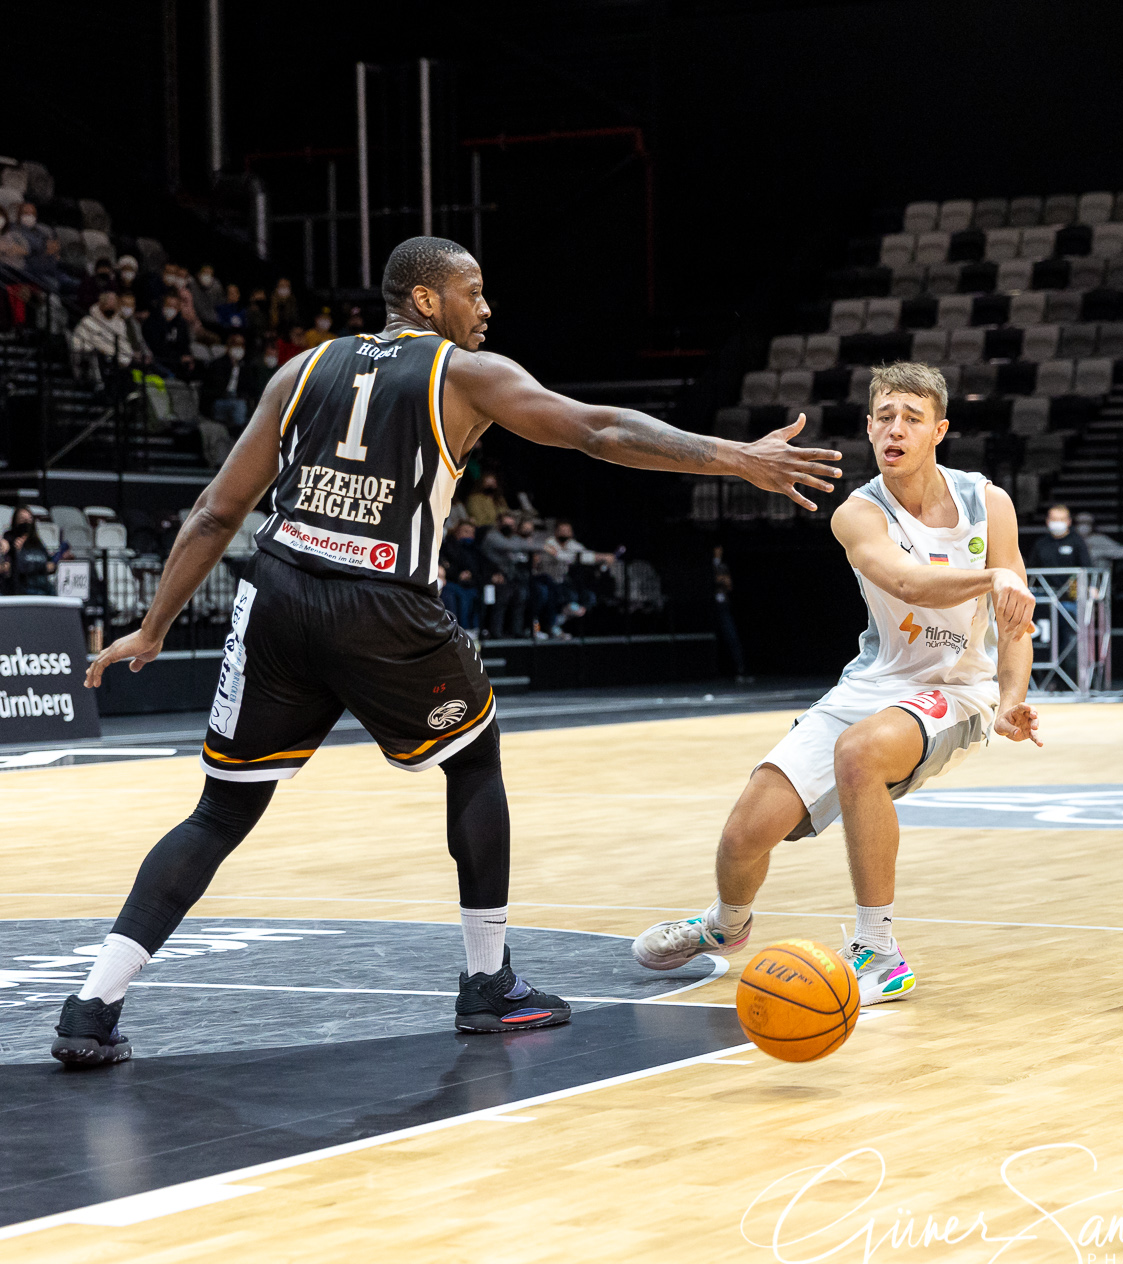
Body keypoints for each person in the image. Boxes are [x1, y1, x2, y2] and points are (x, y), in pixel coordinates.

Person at [52, 235, 841, 1068]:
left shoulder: (298, 371)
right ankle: (488, 983)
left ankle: (91, 1005)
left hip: (277, 592)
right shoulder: (466, 374)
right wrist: (735, 457)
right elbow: (599, 430)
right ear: (426, 301)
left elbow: (216, 510)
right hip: (381, 601)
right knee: (475, 758)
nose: (486, 308)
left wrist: (155, 624)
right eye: (474, 291)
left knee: (219, 810)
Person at [632, 361, 1041, 1004]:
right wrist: (994, 579)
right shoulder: (857, 513)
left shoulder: (988, 504)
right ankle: (724, 926)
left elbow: (1017, 623)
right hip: (874, 683)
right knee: (744, 834)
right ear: (869, 428)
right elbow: (907, 582)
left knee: (861, 754)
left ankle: (879, 950)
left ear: (940, 430)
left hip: (957, 688)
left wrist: (1013, 700)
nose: (895, 429)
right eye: (884, 417)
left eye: (911, 417)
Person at [481, 509, 531, 638]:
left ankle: (516, 631)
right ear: (499, 524)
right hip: (490, 575)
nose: (509, 527)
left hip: (510, 577)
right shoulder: (491, 536)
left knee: (521, 594)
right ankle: (495, 632)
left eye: (511, 525)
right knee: (503, 595)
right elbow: (509, 546)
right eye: (506, 524)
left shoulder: (514, 538)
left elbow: (522, 548)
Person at [70, 289, 133, 386]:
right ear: (101, 303)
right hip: (96, 360)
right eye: (109, 301)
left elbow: (124, 345)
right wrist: (96, 350)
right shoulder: (88, 322)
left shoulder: (120, 324)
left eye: (114, 302)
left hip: (116, 362)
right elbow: (77, 344)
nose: (112, 304)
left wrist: (123, 359)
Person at [201, 332, 263, 429]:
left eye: (241, 345)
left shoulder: (246, 367)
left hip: (238, 399)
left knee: (241, 406)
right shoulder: (218, 364)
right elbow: (210, 387)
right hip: (220, 399)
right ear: (229, 347)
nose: (239, 348)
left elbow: (251, 388)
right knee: (235, 407)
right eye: (235, 345)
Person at [710, 544, 750, 682]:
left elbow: (728, 584)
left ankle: (741, 670)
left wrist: (722, 581)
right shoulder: (711, 566)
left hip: (723, 604)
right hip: (712, 605)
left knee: (732, 636)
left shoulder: (723, 566)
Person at [439, 520, 487, 633]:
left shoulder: (475, 549)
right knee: (461, 596)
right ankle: (461, 629)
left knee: (479, 593)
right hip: (453, 581)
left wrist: (471, 574)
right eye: (465, 531)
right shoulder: (447, 546)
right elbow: (445, 566)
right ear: (457, 532)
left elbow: (481, 567)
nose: (468, 535)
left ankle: (476, 628)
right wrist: (459, 575)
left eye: (471, 532)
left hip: (471, 583)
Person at [1026, 503, 1094, 570]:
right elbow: (1031, 569)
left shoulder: (1077, 542)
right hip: (1043, 581)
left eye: (1061, 519)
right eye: (1054, 519)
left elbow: (1086, 568)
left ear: (1069, 521)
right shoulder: (1041, 543)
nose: (1057, 522)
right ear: (1047, 521)